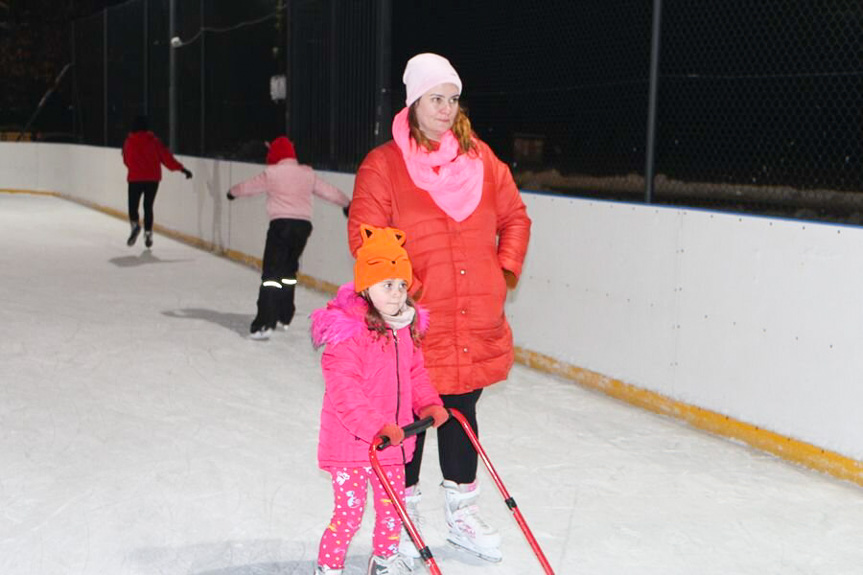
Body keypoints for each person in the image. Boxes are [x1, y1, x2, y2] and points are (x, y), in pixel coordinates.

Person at [348, 53, 531, 564]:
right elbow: (367, 237)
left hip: (473, 317)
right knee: (410, 416)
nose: (447, 108)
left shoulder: (482, 160)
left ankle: (462, 516)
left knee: (460, 410)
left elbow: (516, 217)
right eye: (436, 98)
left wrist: (504, 273)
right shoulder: (383, 165)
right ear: (414, 101)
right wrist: (408, 291)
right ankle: (402, 520)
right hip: (416, 321)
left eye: (453, 98)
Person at [310, 224, 449, 575]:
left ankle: (384, 562)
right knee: (349, 515)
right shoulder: (348, 333)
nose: (398, 294)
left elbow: (416, 374)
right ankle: (328, 568)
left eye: (402, 284)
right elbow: (345, 392)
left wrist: (429, 404)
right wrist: (377, 427)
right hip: (353, 444)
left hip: (393, 442)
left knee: (393, 512)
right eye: (388, 284)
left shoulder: (405, 328)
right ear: (366, 286)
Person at [227, 136, 351, 340]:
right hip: (302, 228)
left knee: (271, 276)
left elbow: (248, 187)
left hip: (281, 226)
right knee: (287, 272)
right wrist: (347, 203)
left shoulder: (273, 173)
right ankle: (284, 315)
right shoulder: (306, 173)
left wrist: (232, 193)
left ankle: (264, 323)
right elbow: (329, 191)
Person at [121, 114, 192, 248]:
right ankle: (148, 233)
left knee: (132, 205)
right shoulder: (154, 141)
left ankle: (135, 225)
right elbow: (167, 158)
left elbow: (126, 160)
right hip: (152, 180)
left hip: (135, 178)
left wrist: (135, 167)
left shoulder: (128, 142)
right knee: (148, 206)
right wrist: (182, 169)